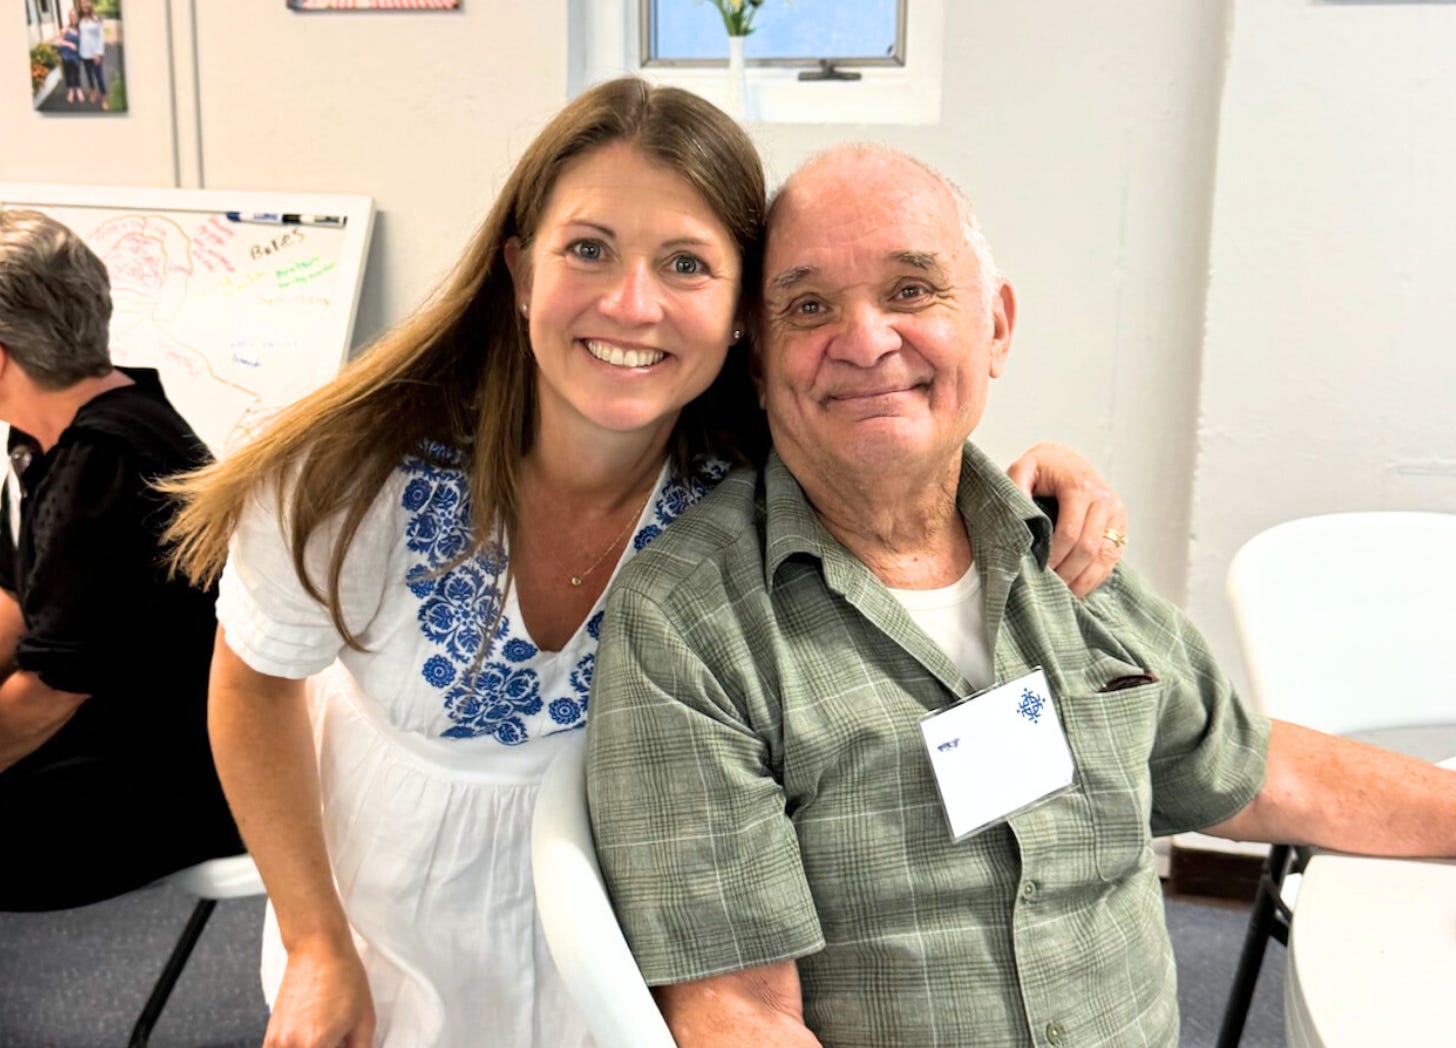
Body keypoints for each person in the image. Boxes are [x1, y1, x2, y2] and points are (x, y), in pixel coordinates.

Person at [164, 79, 1126, 1047]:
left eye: (685, 264)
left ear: (741, 314)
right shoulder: (352, 471)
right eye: (588, 249)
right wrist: (314, 938)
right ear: (521, 271)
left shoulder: (750, 483)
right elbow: (252, 687)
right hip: (384, 930)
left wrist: (1032, 486)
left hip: (636, 948)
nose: (632, 304)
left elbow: (902, 479)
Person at [585, 144, 1456, 1047]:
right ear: (760, 362)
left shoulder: (1065, 550)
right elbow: (739, 1013)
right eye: (809, 307)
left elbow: (1237, 765)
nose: (867, 339)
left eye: (913, 290)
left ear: (996, 327)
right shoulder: (692, 623)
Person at [0, 209, 242, 910]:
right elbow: (15, 595)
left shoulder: (107, 465)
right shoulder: (48, 435)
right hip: (101, 731)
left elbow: (55, 685)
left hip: (169, 774)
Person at [49, 10, 82, 106]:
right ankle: (71, 91)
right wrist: (69, 44)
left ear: (77, 17)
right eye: (71, 16)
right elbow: (59, 41)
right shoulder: (65, 28)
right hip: (67, 55)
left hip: (76, 55)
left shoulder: (79, 29)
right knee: (68, 74)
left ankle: (78, 90)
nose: (73, 17)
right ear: (69, 17)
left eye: (75, 15)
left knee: (77, 73)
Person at [77, 2, 106, 110]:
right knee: (89, 76)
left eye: (86, 3)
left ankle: (104, 99)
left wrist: (99, 53)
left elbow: (101, 37)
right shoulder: (80, 21)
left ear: (90, 5)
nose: (84, 6)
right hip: (84, 54)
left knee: (99, 78)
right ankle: (92, 92)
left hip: (95, 55)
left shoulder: (96, 19)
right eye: (82, 4)